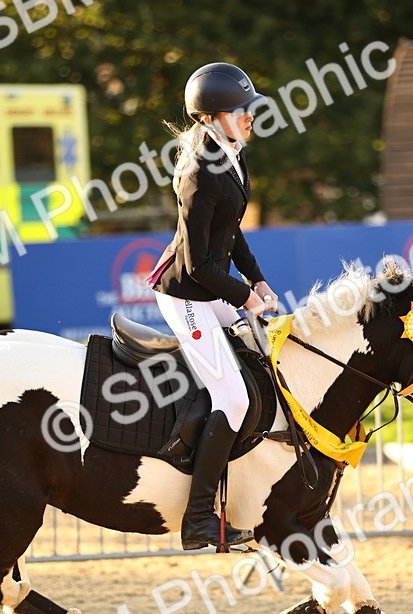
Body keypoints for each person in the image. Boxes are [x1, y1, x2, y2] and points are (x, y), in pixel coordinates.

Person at [150, 62, 279, 551]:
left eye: (249, 108)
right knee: (235, 398)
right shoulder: (200, 173)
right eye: (240, 110)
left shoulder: (233, 155)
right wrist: (244, 297)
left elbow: (233, 231)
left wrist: (258, 279)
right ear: (211, 118)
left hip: (212, 287)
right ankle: (199, 518)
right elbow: (200, 264)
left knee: (266, 353)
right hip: (186, 294)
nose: (250, 116)